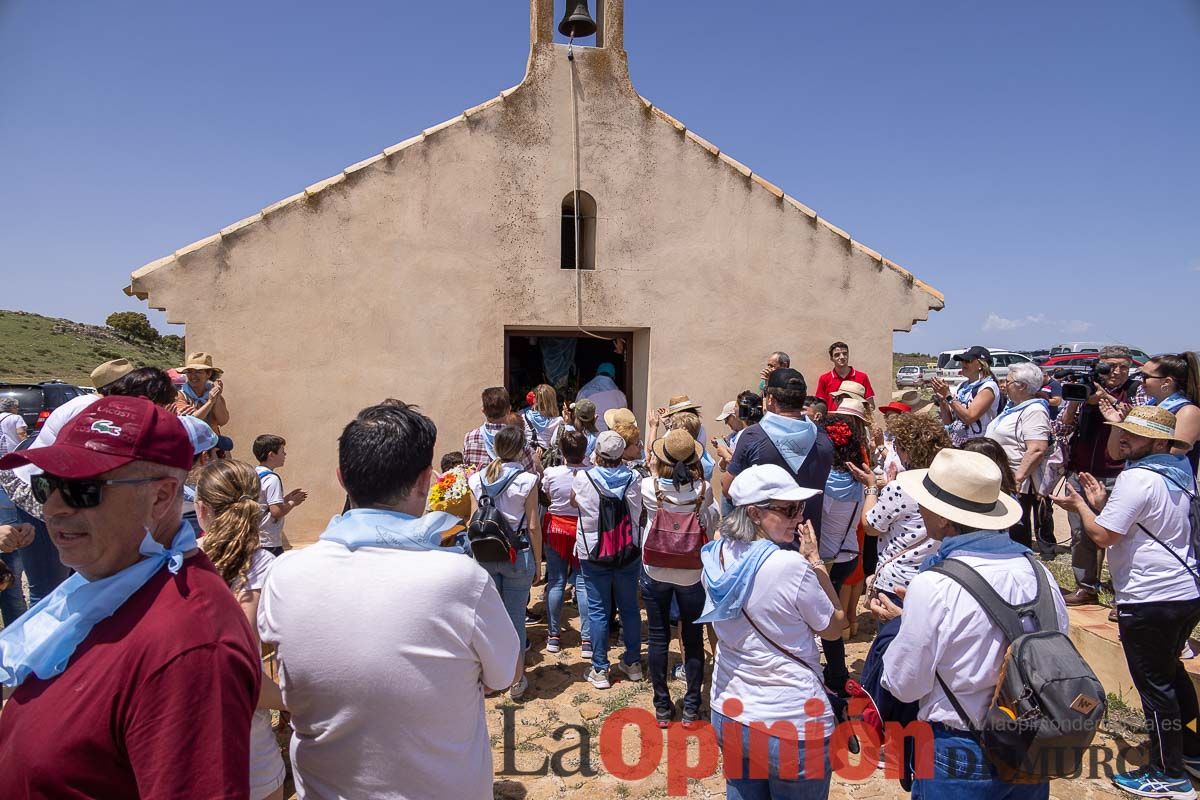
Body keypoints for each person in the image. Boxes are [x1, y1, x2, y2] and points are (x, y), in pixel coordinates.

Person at [258, 402, 520, 800]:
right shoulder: (460, 580)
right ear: (425, 481)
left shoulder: (285, 575)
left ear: (341, 478)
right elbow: (505, 674)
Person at [0, 396, 260, 797]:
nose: (52, 508)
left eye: (80, 489)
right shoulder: (107, 584)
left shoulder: (191, 647)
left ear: (160, 497)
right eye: (46, 483)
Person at [875, 448, 1069, 799]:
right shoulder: (1040, 573)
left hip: (959, 749)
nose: (919, 508)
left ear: (947, 519)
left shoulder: (935, 583)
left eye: (926, 502)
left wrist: (901, 629)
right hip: (1028, 746)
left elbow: (904, 684)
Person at [1053, 406, 1200, 798]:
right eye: (1123, 431)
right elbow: (1140, 525)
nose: (1122, 439)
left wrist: (1081, 506)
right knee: (1169, 675)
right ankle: (1189, 751)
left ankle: (1169, 775)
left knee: (1155, 690)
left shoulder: (1137, 478)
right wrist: (1101, 506)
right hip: (1184, 591)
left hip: (1149, 597)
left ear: (1156, 441)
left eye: (1132, 435)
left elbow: (1103, 537)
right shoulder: (1178, 473)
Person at [699, 464, 839, 799]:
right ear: (753, 513)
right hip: (790, 721)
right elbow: (835, 627)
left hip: (730, 709)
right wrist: (816, 562)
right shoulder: (789, 565)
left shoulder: (714, 556)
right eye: (788, 509)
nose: (798, 517)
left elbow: (716, 631)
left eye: (800, 508)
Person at [0, 365, 178, 624]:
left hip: (51, 487)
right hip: (38, 489)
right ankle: (39, 652)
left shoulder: (102, 408)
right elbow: (76, 469)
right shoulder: (91, 411)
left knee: (76, 582)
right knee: (50, 587)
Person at [196, 459, 288, 800]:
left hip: (178, 736)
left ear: (201, 508)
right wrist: (295, 703)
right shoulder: (272, 571)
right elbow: (249, 675)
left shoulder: (169, 563)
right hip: (248, 743)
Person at [640, 429, 717, 727]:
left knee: (659, 637)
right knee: (693, 637)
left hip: (656, 566)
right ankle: (691, 706)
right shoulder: (703, 489)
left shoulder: (649, 487)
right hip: (691, 569)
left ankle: (661, 705)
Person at [1057, 345, 1142, 606]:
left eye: (1123, 367)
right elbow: (1061, 428)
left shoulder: (1135, 390)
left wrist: (1108, 399)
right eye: (1110, 366)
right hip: (1082, 471)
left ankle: (1122, 596)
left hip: (1119, 474)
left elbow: (1140, 423)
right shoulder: (1085, 387)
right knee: (1082, 534)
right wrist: (1075, 401)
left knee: (1120, 536)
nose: (1117, 372)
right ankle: (1086, 587)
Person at [467, 425, 542, 699]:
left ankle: (490, 675)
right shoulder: (527, 481)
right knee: (515, 620)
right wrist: (537, 559)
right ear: (522, 450)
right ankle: (515, 678)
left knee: (489, 619)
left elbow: (476, 518)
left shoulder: (477, 479)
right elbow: (533, 525)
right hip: (517, 552)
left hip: (486, 553)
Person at [572, 430, 644, 690]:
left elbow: (574, 502)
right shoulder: (635, 478)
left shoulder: (584, 478)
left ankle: (600, 668)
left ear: (598, 454)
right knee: (629, 608)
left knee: (598, 610)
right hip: (628, 549)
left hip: (594, 551)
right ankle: (633, 662)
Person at [725, 368, 834, 539]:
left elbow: (728, 489)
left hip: (763, 546)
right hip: (807, 544)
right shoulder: (824, 440)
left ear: (770, 399)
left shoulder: (753, 436)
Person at [819, 398, 869, 692]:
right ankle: (837, 672)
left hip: (824, 559)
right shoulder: (858, 480)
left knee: (823, 619)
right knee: (832, 618)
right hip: (848, 553)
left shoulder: (825, 482)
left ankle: (833, 673)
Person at [984, 361, 1053, 553]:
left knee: (1015, 532)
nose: (1004, 385)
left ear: (1022, 386)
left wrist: (1017, 478)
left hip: (1016, 483)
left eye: (1008, 381)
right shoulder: (1015, 407)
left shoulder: (1034, 411)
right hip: (1004, 478)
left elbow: (1037, 449)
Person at [541, 431, 591, 657]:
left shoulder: (551, 472)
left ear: (561, 451)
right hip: (583, 529)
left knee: (556, 580)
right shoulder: (592, 473)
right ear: (585, 450)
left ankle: (553, 635)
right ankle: (587, 639)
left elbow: (548, 495)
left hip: (557, 529)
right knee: (582, 583)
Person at [1138, 352, 1200, 475]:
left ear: (1166, 382)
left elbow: (1173, 453)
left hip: (1169, 485)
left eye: (1145, 376)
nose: (1141, 381)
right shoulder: (1149, 406)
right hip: (1143, 477)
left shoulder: (1188, 412)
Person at [931, 346, 1001, 447]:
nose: (963, 363)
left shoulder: (988, 387)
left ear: (981, 365)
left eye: (967, 361)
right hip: (958, 443)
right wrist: (942, 400)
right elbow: (949, 422)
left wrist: (948, 395)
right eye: (962, 360)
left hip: (977, 446)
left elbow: (969, 417)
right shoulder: (962, 387)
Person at [253, 434, 307, 557]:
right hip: (269, 540)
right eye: (282, 452)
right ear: (271, 455)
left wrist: (286, 498)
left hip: (256, 537)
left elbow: (263, 503)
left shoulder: (254, 474)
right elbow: (276, 512)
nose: (285, 455)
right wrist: (293, 502)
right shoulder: (272, 479)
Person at [464, 386, 537, 472]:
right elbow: (531, 474)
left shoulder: (470, 438)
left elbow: (467, 471)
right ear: (509, 409)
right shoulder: (518, 439)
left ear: (483, 410)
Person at [815, 341, 876, 409]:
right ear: (831, 358)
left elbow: (871, 405)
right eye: (837, 355)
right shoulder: (824, 378)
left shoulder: (862, 377)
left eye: (845, 353)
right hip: (832, 419)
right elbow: (819, 406)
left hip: (855, 419)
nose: (842, 357)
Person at [178, 352, 230, 428]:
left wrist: (217, 397)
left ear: (208, 374)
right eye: (189, 372)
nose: (193, 376)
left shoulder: (213, 394)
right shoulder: (181, 396)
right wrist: (210, 402)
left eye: (198, 372)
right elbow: (191, 422)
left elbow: (223, 420)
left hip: (213, 438)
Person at [577, 363, 628, 432]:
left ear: (597, 374)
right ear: (613, 377)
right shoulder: (621, 396)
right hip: (613, 438)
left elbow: (577, 415)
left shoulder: (584, 392)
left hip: (588, 438)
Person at [427, 451, 475, 523]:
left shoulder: (470, 486)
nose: (461, 471)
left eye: (462, 467)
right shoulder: (437, 491)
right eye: (458, 468)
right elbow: (430, 510)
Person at [524, 384, 564, 449]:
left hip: (528, 456)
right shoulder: (558, 421)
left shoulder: (524, 417)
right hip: (546, 457)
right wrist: (568, 423)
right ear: (552, 401)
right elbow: (555, 444)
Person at [564, 397, 601, 462]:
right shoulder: (594, 438)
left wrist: (566, 423)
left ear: (575, 414)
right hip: (586, 470)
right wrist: (593, 426)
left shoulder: (566, 430)